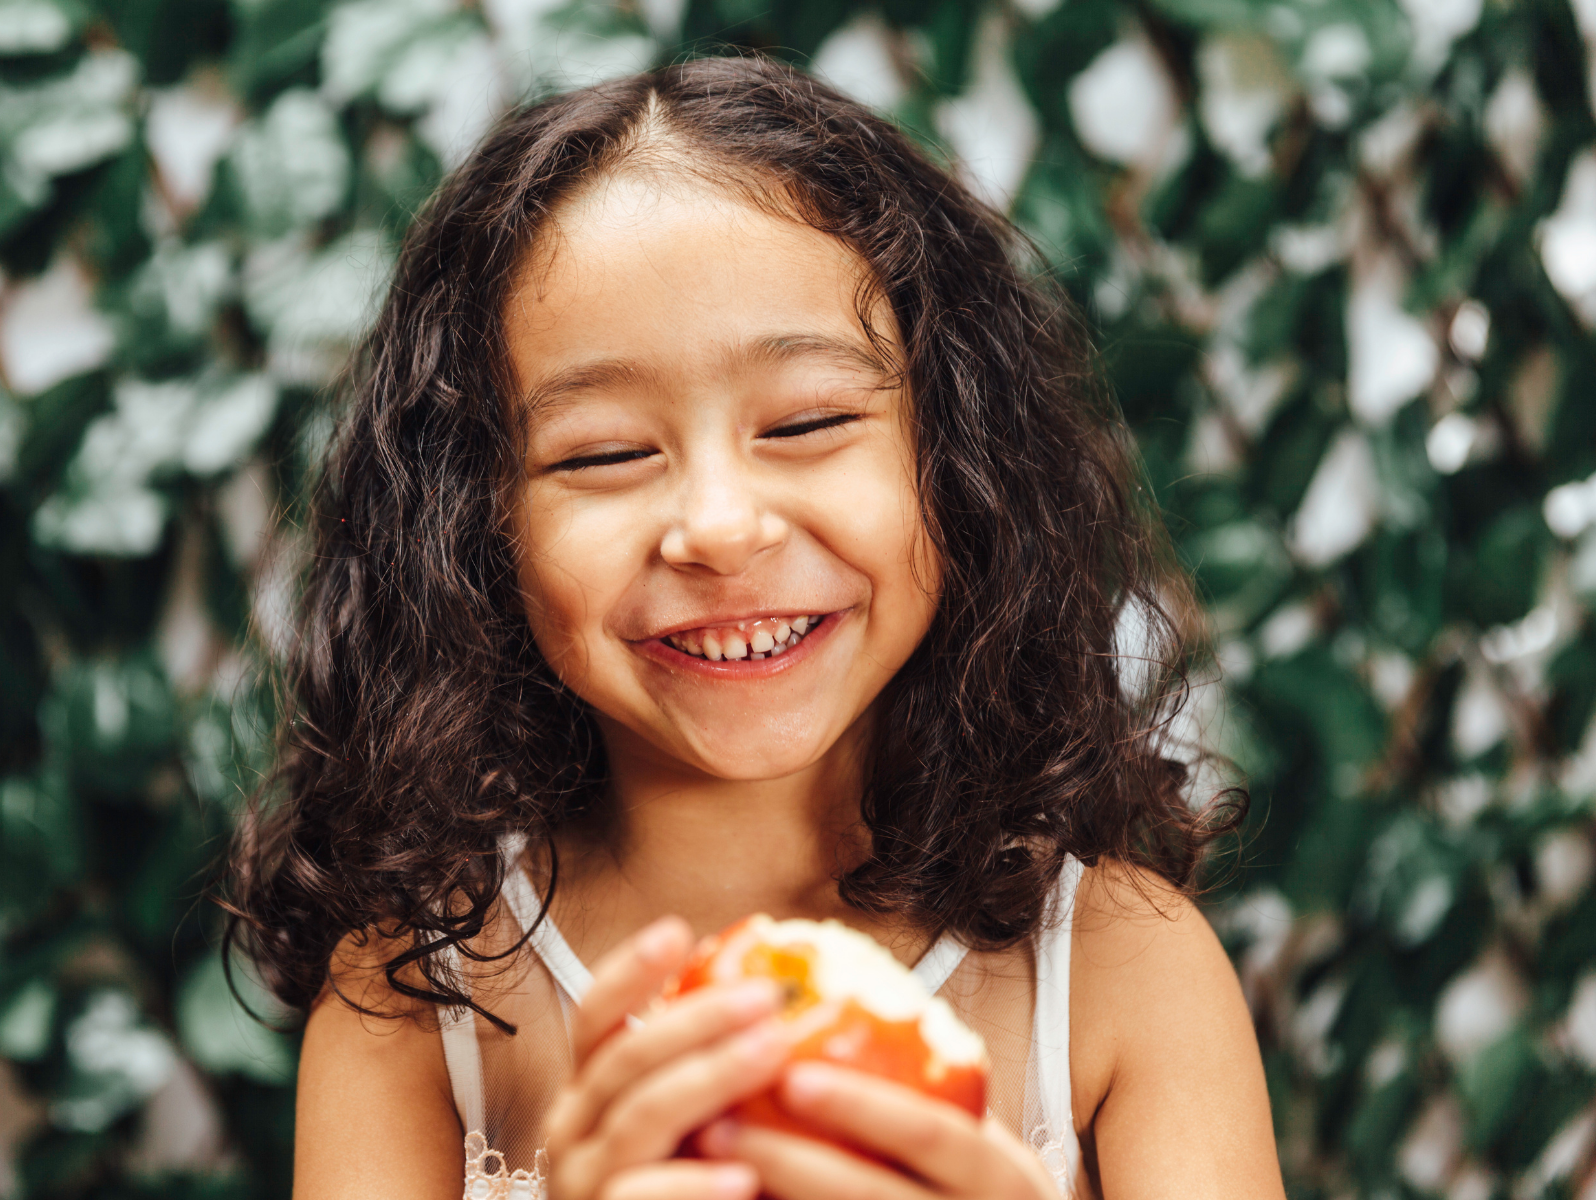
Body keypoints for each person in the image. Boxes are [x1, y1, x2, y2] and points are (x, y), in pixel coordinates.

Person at [223, 54, 1285, 1200]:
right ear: (475, 531)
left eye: (812, 421)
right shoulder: (411, 1005)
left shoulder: (1125, 971)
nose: (720, 529)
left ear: (959, 462)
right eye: (605, 454)